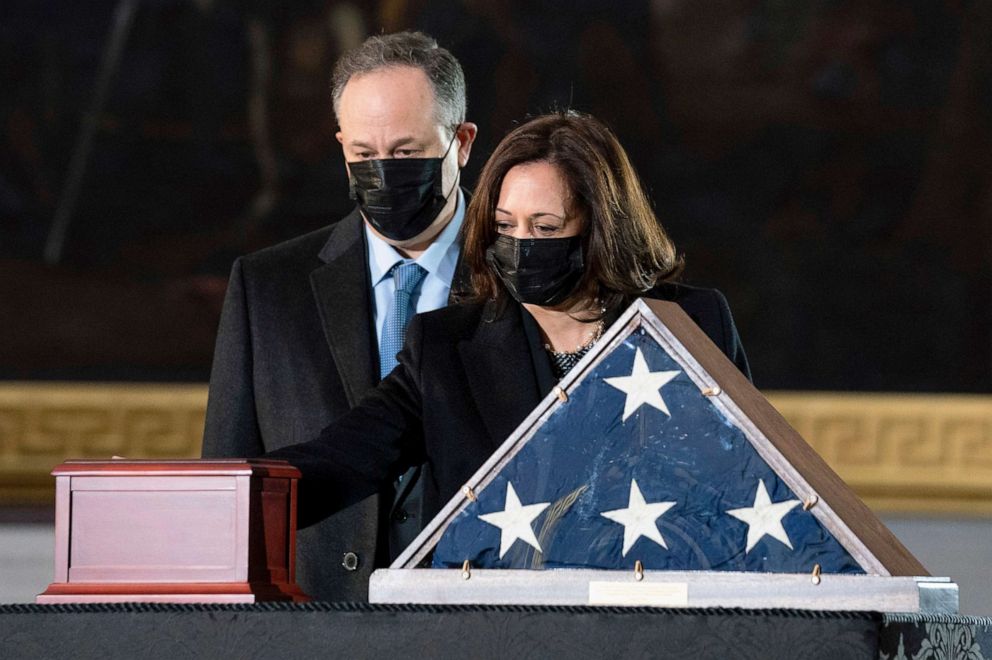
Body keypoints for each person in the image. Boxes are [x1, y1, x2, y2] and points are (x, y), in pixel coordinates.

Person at [268, 111, 750, 537]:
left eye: (544, 228)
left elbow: (747, 478)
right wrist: (224, 499)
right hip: (500, 621)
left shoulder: (689, 324)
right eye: (504, 225)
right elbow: (341, 458)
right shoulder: (448, 346)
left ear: (602, 227)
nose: (521, 243)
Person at [201, 31, 478, 601]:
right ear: (341, 148)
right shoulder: (267, 287)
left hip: (484, 615)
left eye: (405, 153)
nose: (383, 171)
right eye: (363, 154)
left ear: (462, 142)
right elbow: (228, 493)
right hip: (315, 622)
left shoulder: (521, 278)